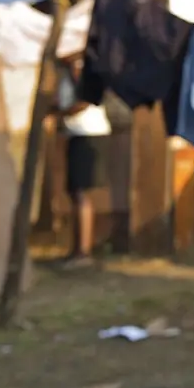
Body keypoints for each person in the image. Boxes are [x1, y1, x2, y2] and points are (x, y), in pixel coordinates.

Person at [54, 53, 112, 268]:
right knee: (74, 193)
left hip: (88, 134)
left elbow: (84, 102)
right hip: (75, 134)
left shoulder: (89, 77)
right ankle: (77, 248)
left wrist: (60, 114)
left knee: (81, 193)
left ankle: (83, 251)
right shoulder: (65, 76)